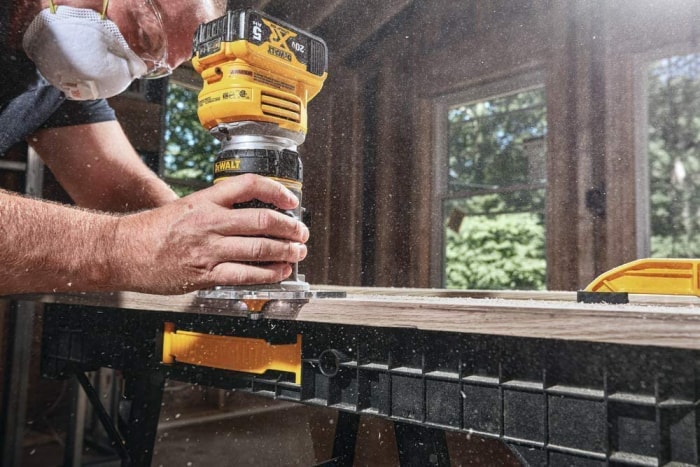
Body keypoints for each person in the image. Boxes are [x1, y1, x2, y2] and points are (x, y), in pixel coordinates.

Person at [0, 0, 309, 295]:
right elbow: (138, 240)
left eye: (152, 68)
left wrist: (216, 240)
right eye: (145, 36)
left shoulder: (60, 77)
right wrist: (127, 247)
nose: (128, 68)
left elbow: (121, 189)